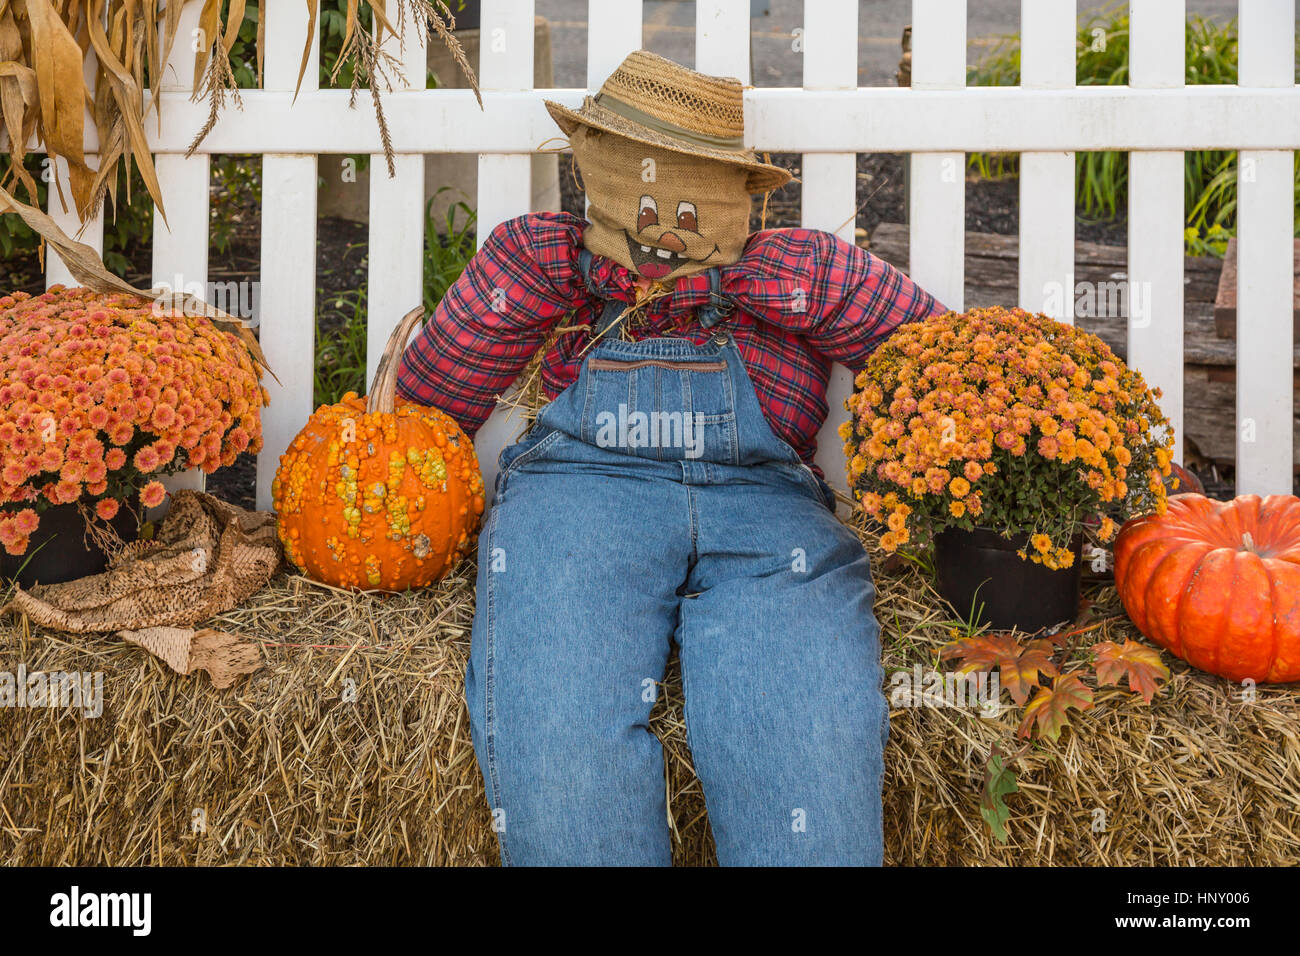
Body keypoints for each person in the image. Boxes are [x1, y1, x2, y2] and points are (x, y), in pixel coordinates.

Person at [396, 50, 946, 866]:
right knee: (559, 731)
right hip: (581, 495)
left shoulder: (794, 274)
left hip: (767, 512)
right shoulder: (552, 265)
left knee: (801, 731)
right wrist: (387, 478)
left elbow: (947, 365)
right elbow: (432, 394)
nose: (662, 231)